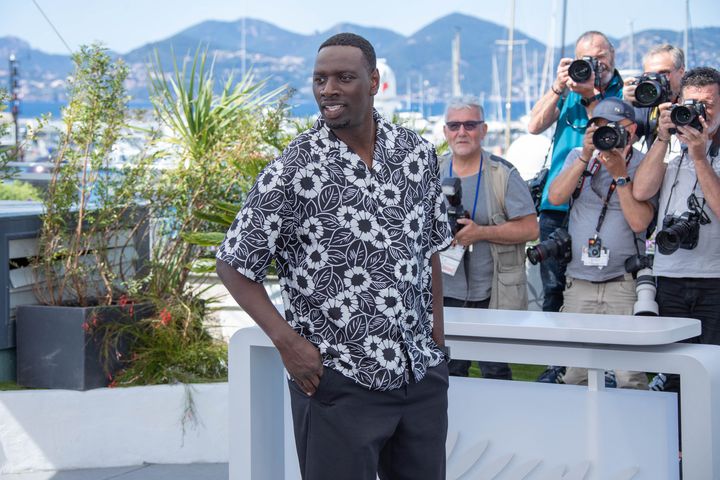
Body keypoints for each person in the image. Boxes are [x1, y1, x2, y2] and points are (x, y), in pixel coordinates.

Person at [216, 33, 452, 480]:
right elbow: (233, 262)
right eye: (320, 79)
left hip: (418, 376)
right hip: (338, 380)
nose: (329, 89)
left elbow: (431, 249)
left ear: (374, 81)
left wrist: (436, 346)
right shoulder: (294, 169)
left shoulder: (416, 155)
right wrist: (290, 347)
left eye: (344, 77)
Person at [528, 31, 623, 383]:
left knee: (601, 283)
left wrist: (593, 95)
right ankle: (558, 363)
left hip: (602, 205)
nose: (595, 65)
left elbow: (620, 129)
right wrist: (558, 87)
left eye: (601, 57)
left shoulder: (622, 92)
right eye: (587, 58)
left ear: (612, 56)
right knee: (553, 286)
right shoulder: (569, 88)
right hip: (558, 201)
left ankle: (606, 368)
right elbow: (534, 124)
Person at [547, 97, 655, 389]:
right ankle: (580, 432)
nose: (606, 133)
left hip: (623, 282)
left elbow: (639, 223)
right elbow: (555, 198)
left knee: (629, 375)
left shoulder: (645, 165)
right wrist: (584, 156)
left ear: (631, 130)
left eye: (614, 127)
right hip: (579, 280)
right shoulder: (578, 158)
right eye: (599, 126)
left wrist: (621, 175)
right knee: (575, 373)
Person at [632, 66, 720, 393]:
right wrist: (662, 136)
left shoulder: (702, 155)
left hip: (714, 280)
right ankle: (676, 444)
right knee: (671, 374)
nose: (698, 113)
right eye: (691, 103)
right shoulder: (673, 153)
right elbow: (641, 191)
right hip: (669, 275)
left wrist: (700, 157)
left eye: (707, 105)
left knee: (711, 372)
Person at [438, 96, 538, 379]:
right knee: (448, 375)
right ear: (445, 132)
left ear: (483, 130)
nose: (462, 132)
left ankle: (502, 424)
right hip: (443, 293)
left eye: (470, 125)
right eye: (454, 125)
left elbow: (531, 229)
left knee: (494, 370)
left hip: (491, 293)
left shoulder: (502, 175)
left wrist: (481, 233)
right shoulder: (431, 172)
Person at [624, 44, 686, 149]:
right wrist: (626, 105)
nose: (656, 80)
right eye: (649, 76)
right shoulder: (647, 104)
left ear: (681, 72)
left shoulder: (693, 100)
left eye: (663, 74)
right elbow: (624, 142)